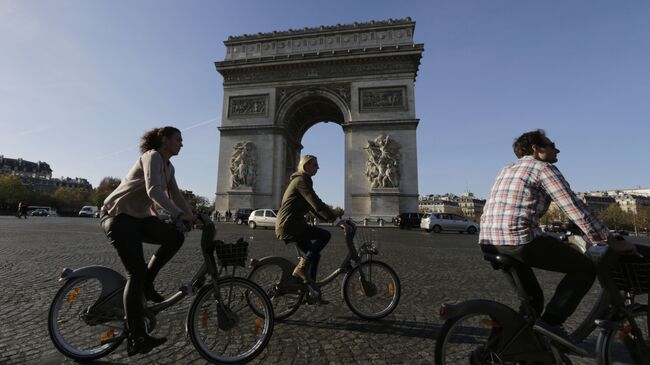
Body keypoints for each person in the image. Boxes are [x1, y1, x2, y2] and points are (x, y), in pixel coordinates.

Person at [479, 129, 634, 347]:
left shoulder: (506, 169)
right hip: (519, 239)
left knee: (532, 303)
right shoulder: (542, 168)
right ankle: (551, 324)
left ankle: (499, 351)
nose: (557, 149)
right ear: (536, 148)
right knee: (585, 268)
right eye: (552, 145)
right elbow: (574, 207)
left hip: (489, 241)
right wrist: (609, 240)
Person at [100, 126, 196, 356]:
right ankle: (137, 336)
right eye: (178, 139)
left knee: (175, 237)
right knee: (136, 272)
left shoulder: (169, 167)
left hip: (139, 218)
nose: (182, 143)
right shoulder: (151, 156)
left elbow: (176, 195)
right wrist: (179, 215)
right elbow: (155, 191)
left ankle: (147, 282)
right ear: (164, 140)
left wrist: (194, 215)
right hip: (118, 217)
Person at [275, 155, 351, 303]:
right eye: (315, 165)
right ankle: (301, 269)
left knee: (314, 256)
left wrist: (332, 219)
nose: (318, 168)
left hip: (293, 224)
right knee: (325, 236)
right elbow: (316, 203)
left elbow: (313, 208)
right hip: (290, 225)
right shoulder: (301, 181)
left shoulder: (303, 180)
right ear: (306, 165)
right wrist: (336, 220)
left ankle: (312, 292)